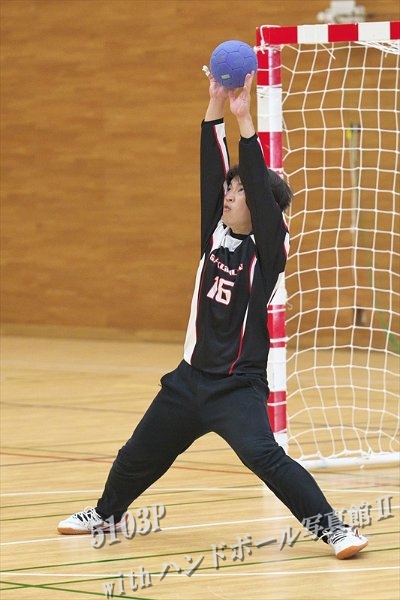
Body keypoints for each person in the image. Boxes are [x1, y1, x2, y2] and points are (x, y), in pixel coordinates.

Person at [57, 69, 368, 560]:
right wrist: (215, 105)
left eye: (240, 191)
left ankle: (335, 530)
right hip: (188, 382)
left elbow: (260, 191)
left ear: (261, 206)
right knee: (136, 454)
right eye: (231, 189)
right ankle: (107, 513)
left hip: (236, 387)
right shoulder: (214, 235)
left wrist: (246, 122)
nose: (229, 194)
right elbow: (211, 168)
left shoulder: (269, 251)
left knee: (265, 456)